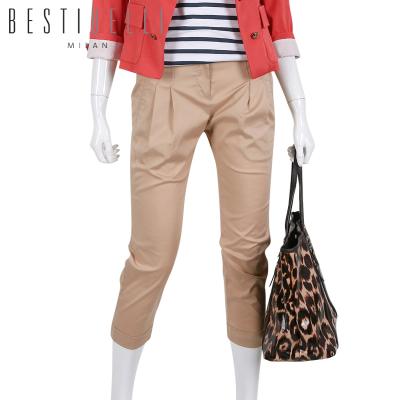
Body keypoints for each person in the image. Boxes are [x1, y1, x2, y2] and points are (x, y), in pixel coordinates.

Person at [87, 0, 314, 399]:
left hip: (247, 83)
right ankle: (119, 394)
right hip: (163, 81)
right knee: (152, 253)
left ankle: (247, 395)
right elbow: (109, 10)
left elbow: (277, 15)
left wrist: (301, 113)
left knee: (247, 253)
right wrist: (97, 109)